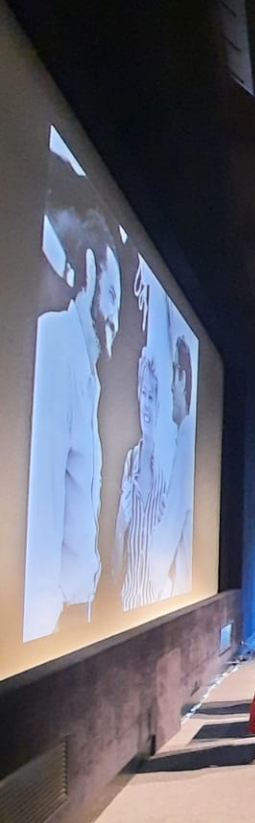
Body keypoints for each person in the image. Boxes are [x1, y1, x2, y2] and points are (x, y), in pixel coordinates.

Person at [24, 209, 123, 640]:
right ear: (89, 272)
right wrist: (44, 628)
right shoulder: (55, 349)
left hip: (73, 616)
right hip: (49, 622)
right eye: (113, 295)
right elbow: (41, 511)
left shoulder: (87, 377)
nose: (116, 318)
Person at [113, 350, 170, 610]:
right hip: (128, 604)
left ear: (158, 404)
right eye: (143, 394)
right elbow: (115, 566)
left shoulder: (165, 473)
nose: (146, 404)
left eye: (151, 397)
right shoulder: (128, 463)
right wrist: (120, 526)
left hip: (160, 604)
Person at [147, 333, 196, 598]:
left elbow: (166, 538)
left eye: (174, 373)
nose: (169, 389)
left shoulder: (187, 447)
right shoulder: (187, 442)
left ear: (183, 379)